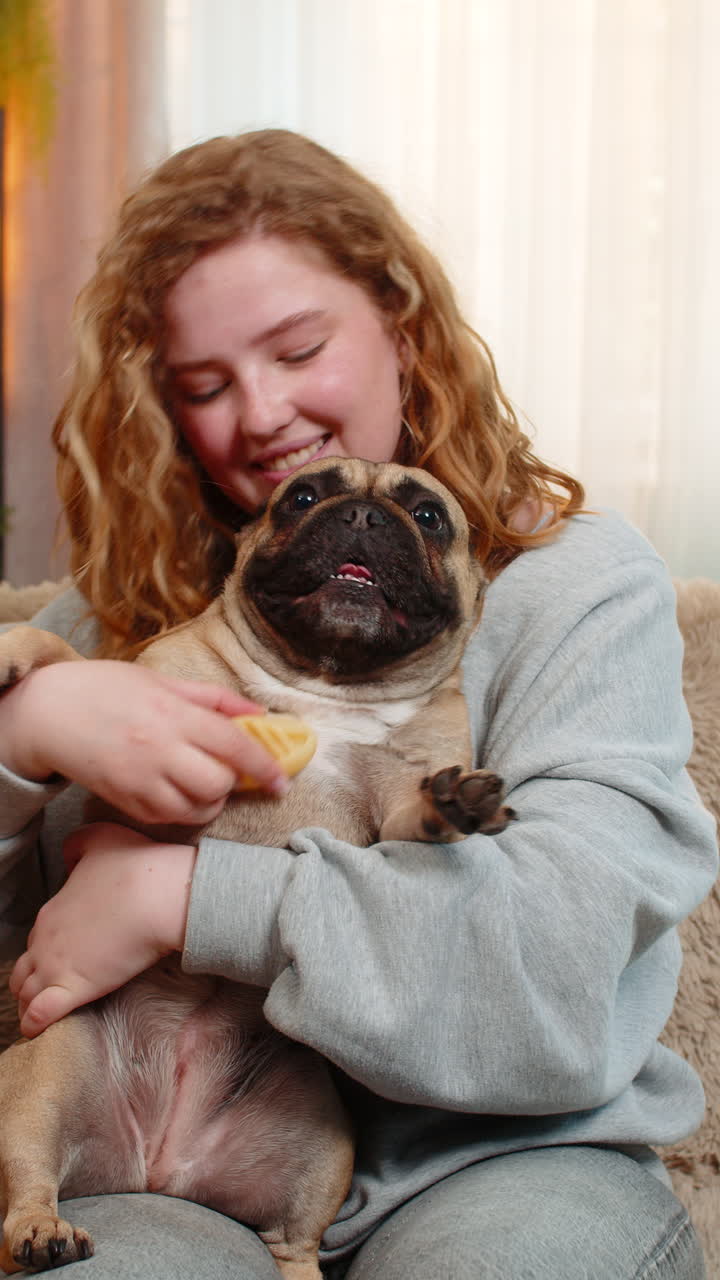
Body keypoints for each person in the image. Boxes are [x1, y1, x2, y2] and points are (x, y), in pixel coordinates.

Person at [0, 128, 716, 1280]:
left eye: (298, 347)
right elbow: (39, 975)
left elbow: (559, 970)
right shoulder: (120, 619)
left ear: (403, 324)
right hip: (164, 1158)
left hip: (511, 1159)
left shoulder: (574, 585)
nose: (265, 412)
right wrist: (19, 739)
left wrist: (187, 892)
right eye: (205, 385)